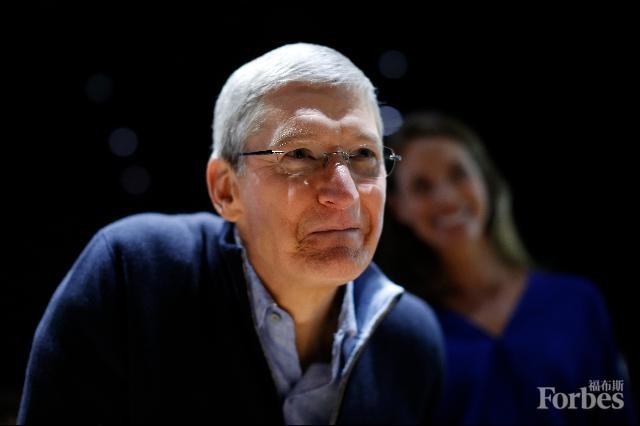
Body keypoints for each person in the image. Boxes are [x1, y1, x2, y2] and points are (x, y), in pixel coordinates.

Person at [17, 44, 444, 424]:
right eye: (299, 154)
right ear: (226, 189)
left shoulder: (410, 339)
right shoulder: (133, 275)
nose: (345, 192)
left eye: (364, 154)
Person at [375, 111, 637, 424]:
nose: (445, 197)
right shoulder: (406, 330)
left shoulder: (577, 301)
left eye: (459, 174)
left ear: (484, 180)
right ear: (399, 208)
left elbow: (613, 411)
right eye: (422, 186)